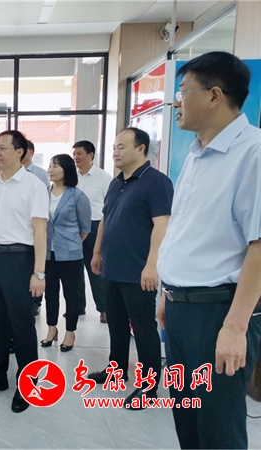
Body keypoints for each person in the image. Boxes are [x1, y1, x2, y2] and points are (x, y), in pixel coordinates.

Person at [157, 51, 261, 449]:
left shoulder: (253, 153)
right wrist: (167, 292)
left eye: (183, 92)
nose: (176, 103)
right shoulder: (198, 153)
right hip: (182, 310)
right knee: (188, 421)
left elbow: (258, 246)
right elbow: (186, 230)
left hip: (218, 312)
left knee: (218, 430)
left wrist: (235, 328)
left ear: (215, 96)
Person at [88, 127, 173, 409]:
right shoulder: (116, 183)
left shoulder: (156, 182)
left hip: (138, 271)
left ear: (141, 149)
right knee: (116, 323)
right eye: (114, 147)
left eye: (121, 147)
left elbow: (162, 224)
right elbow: (105, 218)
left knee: (143, 328)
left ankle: (149, 387)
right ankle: (116, 370)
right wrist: (97, 252)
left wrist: (152, 265)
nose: (115, 152)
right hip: (112, 266)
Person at [0, 130, 48, 413]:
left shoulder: (33, 186)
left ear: (20, 152)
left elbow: (40, 232)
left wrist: (39, 273)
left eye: (3, 148)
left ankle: (27, 384)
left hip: (19, 259)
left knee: (22, 324)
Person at [42, 154, 91, 352]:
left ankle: (70, 332)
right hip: (48, 253)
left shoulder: (77, 196)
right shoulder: (43, 193)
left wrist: (71, 243)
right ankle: (51, 329)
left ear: (66, 170)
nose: (51, 169)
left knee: (72, 295)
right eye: (50, 165)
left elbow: (85, 228)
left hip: (71, 254)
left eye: (56, 166)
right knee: (50, 293)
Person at [73, 140, 112, 323]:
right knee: (74, 269)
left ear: (90, 155)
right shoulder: (72, 177)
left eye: (79, 154)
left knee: (95, 269)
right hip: (74, 227)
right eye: (74, 154)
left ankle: (104, 309)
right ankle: (77, 306)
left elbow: (109, 206)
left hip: (95, 226)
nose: (76, 157)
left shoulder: (103, 177)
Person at [23, 140, 49, 315]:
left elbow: (44, 201)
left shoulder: (40, 175)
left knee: (35, 262)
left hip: (36, 226)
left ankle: (36, 301)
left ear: (30, 152)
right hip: (21, 231)